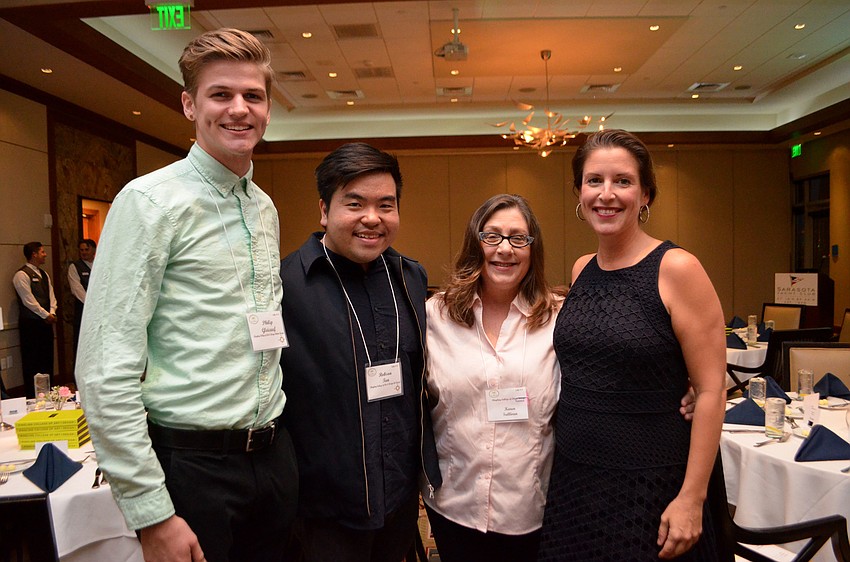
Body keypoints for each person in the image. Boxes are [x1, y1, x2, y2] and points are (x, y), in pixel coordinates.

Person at [76, 28, 297, 562]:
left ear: (268, 108)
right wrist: (151, 512)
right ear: (189, 104)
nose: (239, 109)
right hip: (193, 467)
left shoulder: (262, 206)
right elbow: (105, 369)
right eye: (221, 94)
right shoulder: (149, 202)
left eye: (253, 96)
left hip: (272, 457)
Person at [538, 129, 727, 561]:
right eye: (594, 181)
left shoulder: (677, 268)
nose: (607, 194)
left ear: (646, 196)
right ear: (579, 194)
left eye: (623, 181)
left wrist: (691, 499)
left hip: (651, 483)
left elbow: (713, 391)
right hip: (575, 480)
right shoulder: (582, 267)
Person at [279, 142, 441, 562]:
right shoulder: (285, 286)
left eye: (386, 205)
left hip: (400, 503)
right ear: (324, 209)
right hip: (322, 514)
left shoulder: (410, 277)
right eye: (355, 204)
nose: (373, 218)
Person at [423, 194, 562, 561]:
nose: (505, 249)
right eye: (492, 236)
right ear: (475, 243)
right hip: (454, 503)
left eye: (518, 238)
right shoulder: (433, 316)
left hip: (530, 509)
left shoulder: (558, 320)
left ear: (533, 249)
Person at [13, 241, 57, 397]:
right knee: (33, 360)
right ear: (34, 254)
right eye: (42, 252)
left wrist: (52, 311)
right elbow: (28, 301)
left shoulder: (44, 274)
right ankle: (33, 395)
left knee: (47, 358)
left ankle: (50, 393)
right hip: (31, 324)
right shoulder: (21, 275)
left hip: (46, 323)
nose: (45, 254)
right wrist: (45, 315)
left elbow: (51, 295)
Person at [68, 238, 95, 354]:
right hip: (84, 311)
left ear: (93, 250)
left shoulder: (101, 264)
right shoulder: (75, 267)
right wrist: (92, 304)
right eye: (81, 250)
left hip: (100, 312)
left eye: (86, 249)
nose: (84, 252)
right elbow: (77, 289)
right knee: (83, 345)